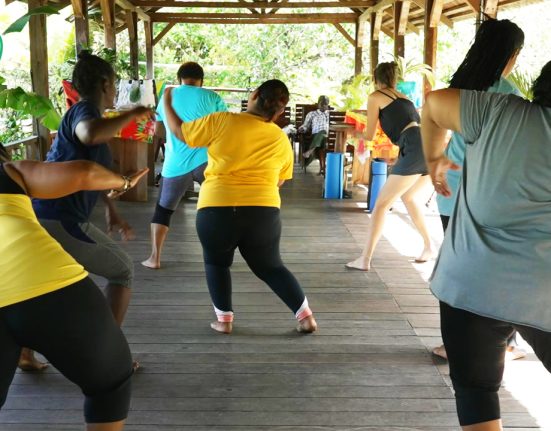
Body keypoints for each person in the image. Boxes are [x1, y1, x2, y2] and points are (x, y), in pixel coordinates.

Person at [422, 61, 551, 431]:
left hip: (471, 284)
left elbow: (432, 105)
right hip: (545, 288)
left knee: (476, 391)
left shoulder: (496, 110)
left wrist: (433, 157)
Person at [0, 157, 148, 430]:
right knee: (110, 383)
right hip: (43, 281)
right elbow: (84, 172)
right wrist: (124, 181)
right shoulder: (9, 170)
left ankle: (24, 354)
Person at [162, 79, 317, 334]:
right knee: (271, 267)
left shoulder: (222, 120)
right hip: (262, 211)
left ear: (254, 95)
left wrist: (167, 101)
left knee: (216, 263)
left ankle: (224, 321)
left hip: (215, 208)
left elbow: (180, 132)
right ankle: (306, 317)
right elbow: (279, 180)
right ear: (278, 112)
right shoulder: (279, 138)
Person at [32, 52, 152, 330]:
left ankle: (25, 352)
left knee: (46, 282)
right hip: (61, 217)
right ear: (105, 85)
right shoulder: (85, 111)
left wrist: (111, 210)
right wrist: (133, 112)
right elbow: (90, 134)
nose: (115, 91)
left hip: (48, 212)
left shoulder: (85, 113)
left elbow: (88, 170)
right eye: (114, 83)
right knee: (123, 270)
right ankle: (109, 352)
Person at [432, 18, 526, 362]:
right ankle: (505, 342)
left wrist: (435, 158)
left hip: (451, 192)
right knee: (499, 269)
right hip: (490, 196)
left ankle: (456, 343)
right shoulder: (510, 97)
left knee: (457, 269)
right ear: (512, 54)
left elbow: (434, 121)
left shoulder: (459, 87)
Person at [345, 62, 434, 272]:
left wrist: (354, 135)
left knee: (382, 205)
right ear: (394, 79)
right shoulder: (406, 99)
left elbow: (368, 134)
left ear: (376, 79)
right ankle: (429, 247)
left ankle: (365, 259)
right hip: (427, 146)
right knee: (410, 198)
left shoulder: (376, 96)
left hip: (413, 148)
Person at [141, 62, 227, 269]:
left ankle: (155, 258)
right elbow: (225, 127)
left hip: (175, 163)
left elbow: (159, 127)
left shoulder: (168, 96)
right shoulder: (213, 97)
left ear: (180, 78)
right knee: (219, 208)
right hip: (207, 161)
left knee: (163, 210)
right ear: (201, 80)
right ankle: (222, 256)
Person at [299, 95, 330, 175]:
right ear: (318, 104)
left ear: (328, 105)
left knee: (323, 136)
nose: (323, 106)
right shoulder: (312, 114)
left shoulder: (330, 114)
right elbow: (305, 125)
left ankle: (310, 151)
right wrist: (302, 128)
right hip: (316, 136)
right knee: (322, 135)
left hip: (329, 138)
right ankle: (323, 169)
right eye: (321, 103)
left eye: (325, 104)